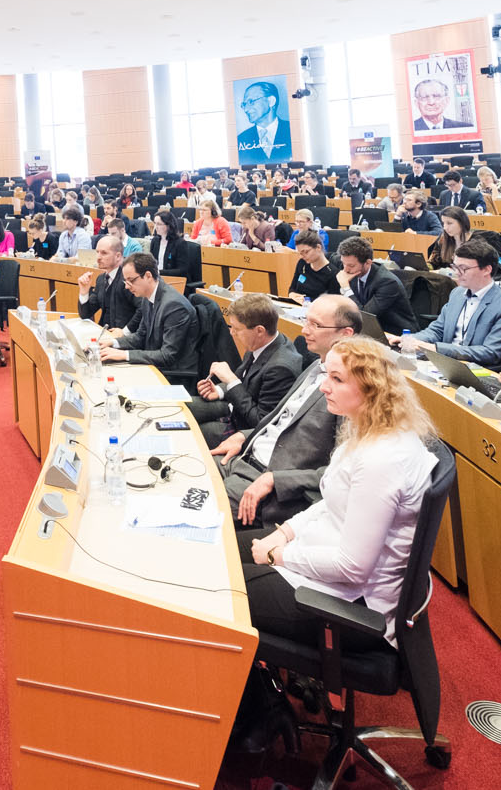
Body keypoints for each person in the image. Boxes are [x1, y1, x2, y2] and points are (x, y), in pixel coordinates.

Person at [235, 336, 439, 747]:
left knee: (218, 592)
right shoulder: (367, 430)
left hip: (350, 606)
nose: (323, 385)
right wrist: (286, 531)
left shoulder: (382, 460)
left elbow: (353, 566)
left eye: (336, 378)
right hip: (326, 563)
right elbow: (330, 502)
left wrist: (279, 554)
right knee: (217, 550)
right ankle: (260, 700)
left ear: (370, 389)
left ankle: (259, 711)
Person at [212, 295, 361, 530]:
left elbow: (343, 472)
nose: (304, 331)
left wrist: (276, 480)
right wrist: (245, 436)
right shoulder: (315, 366)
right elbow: (281, 422)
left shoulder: (350, 391)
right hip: (245, 458)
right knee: (184, 474)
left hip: (268, 481)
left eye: (316, 325)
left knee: (190, 508)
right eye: (306, 321)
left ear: (345, 334)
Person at [391, 236, 501, 368]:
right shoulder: (457, 293)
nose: (457, 273)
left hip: (475, 369)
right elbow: (437, 330)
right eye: (455, 267)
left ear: (486, 270)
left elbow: (491, 353)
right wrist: (410, 340)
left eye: (463, 268)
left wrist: (434, 348)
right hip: (444, 363)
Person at [193, 292, 304, 444]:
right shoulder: (261, 342)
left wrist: (231, 380)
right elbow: (243, 381)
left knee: (188, 432)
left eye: (236, 329)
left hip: (244, 428)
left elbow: (259, 422)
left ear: (259, 330)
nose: (231, 333)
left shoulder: (280, 368)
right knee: (180, 408)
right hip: (234, 408)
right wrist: (218, 391)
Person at [97, 253, 197, 376]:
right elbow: (140, 336)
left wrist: (124, 354)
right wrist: (113, 342)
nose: (127, 287)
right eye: (125, 281)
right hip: (155, 365)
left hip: (174, 375)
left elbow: (167, 356)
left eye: (131, 280)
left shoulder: (174, 306)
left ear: (148, 276)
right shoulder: (147, 296)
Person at [337, 235, 417, 333]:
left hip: (396, 334)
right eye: (343, 263)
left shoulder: (387, 282)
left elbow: (365, 317)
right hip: (371, 331)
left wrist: (345, 288)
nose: (345, 269)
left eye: (351, 265)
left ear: (368, 263)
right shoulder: (352, 272)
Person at [76, 234, 139, 329]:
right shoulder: (101, 279)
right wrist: (84, 292)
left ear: (118, 256)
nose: (98, 257)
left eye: (104, 253)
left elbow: (143, 310)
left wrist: (126, 331)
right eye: (97, 252)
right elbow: (86, 314)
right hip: (104, 334)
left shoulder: (130, 278)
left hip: (125, 339)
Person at [237, 80, 291, 163]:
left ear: (271, 101)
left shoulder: (291, 130)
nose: (246, 109)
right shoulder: (242, 139)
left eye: (251, 102)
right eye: (244, 105)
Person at [150, 210, 202, 286]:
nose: (155, 227)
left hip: (175, 282)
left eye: (159, 224)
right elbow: (152, 262)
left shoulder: (180, 243)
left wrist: (159, 272)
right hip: (158, 280)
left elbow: (182, 270)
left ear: (168, 226)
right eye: (155, 223)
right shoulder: (155, 241)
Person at [288, 231, 340, 300]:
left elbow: (332, 303)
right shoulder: (302, 263)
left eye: (306, 252)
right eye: (300, 253)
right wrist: (292, 295)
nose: (302, 256)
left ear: (318, 247)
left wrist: (306, 300)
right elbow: (292, 288)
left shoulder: (333, 273)